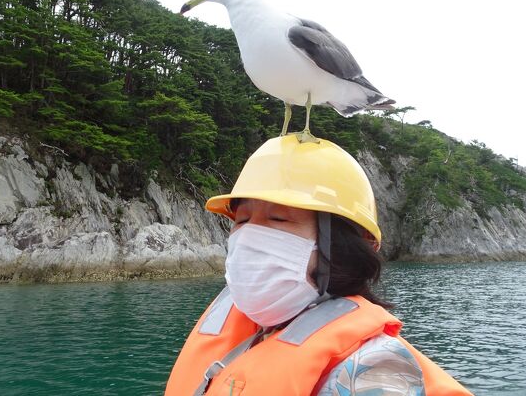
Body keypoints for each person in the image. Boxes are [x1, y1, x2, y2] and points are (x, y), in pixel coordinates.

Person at [165, 135, 472, 395]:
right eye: (242, 220)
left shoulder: (374, 370)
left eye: (278, 218)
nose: (249, 236)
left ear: (341, 244)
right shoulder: (247, 326)